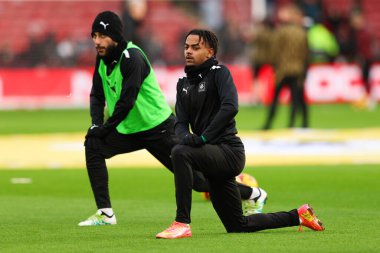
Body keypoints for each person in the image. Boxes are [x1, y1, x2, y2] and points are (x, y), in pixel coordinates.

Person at [79, 11, 266, 226]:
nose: (97, 41)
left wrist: (105, 128)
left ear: (115, 36)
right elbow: (97, 93)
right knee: (93, 145)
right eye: (94, 36)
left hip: (158, 127)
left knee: (198, 181)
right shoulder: (102, 58)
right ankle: (105, 213)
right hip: (129, 128)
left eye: (102, 36)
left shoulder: (133, 58)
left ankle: (253, 193)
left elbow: (126, 101)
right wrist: (96, 125)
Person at [156, 29, 324, 239]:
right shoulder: (183, 84)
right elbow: (180, 123)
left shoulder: (220, 73)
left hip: (229, 153)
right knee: (238, 225)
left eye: (195, 47)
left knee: (180, 152)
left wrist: (203, 138)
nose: (188, 51)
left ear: (210, 52)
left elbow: (230, 107)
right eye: (186, 47)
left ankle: (182, 223)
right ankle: (299, 215)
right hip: (210, 156)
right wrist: (186, 137)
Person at [262, 3, 309, 130]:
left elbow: (274, 52)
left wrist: (274, 65)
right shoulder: (302, 32)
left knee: (275, 99)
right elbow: (305, 53)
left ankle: (268, 124)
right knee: (297, 98)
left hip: (282, 70)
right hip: (297, 69)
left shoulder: (280, 32)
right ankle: (296, 123)